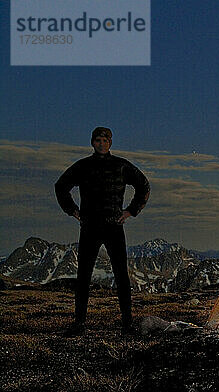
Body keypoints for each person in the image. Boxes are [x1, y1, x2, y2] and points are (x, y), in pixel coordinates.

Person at [55, 127, 150, 336]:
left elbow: (143, 185)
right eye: (97, 140)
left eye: (104, 140)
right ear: (92, 142)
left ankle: (127, 325)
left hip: (114, 226)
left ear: (110, 143)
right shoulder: (82, 166)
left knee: (121, 276)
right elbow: (60, 186)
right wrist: (73, 211)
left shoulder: (121, 166)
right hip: (89, 226)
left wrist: (130, 211)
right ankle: (79, 325)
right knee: (83, 276)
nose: (101, 144)